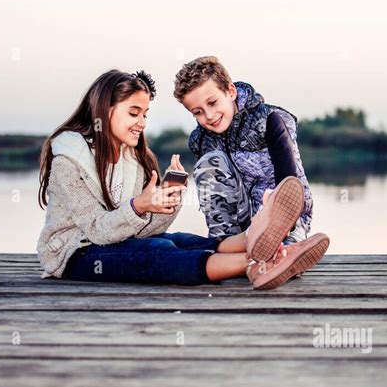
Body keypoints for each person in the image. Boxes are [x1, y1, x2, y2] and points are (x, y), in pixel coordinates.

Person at [37, 68, 329, 289]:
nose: (142, 123)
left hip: (117, 240)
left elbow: (147, 230)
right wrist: (139, 206)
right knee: (156, 254)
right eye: (134, 113)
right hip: (76, 253)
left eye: (145, 114)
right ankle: (255, 262)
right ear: (104, 111)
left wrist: (168, 200)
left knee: (178, 240)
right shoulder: (69, 159)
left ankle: (253, 238)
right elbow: (97, 231)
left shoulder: (134, 158)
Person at [173, 55, 313, 246]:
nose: (209, 115)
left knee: (282, 249)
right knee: (209, 162)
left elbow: (289, 179)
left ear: (231, 91)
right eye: (197, 112)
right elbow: (214, 191)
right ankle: (225, 242)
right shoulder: (202, 140)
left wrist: (277, 218)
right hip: (243, 222)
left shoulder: (268, 120)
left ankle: (283, 251)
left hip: (283, 216)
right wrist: (174, 184)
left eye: (212, 103)